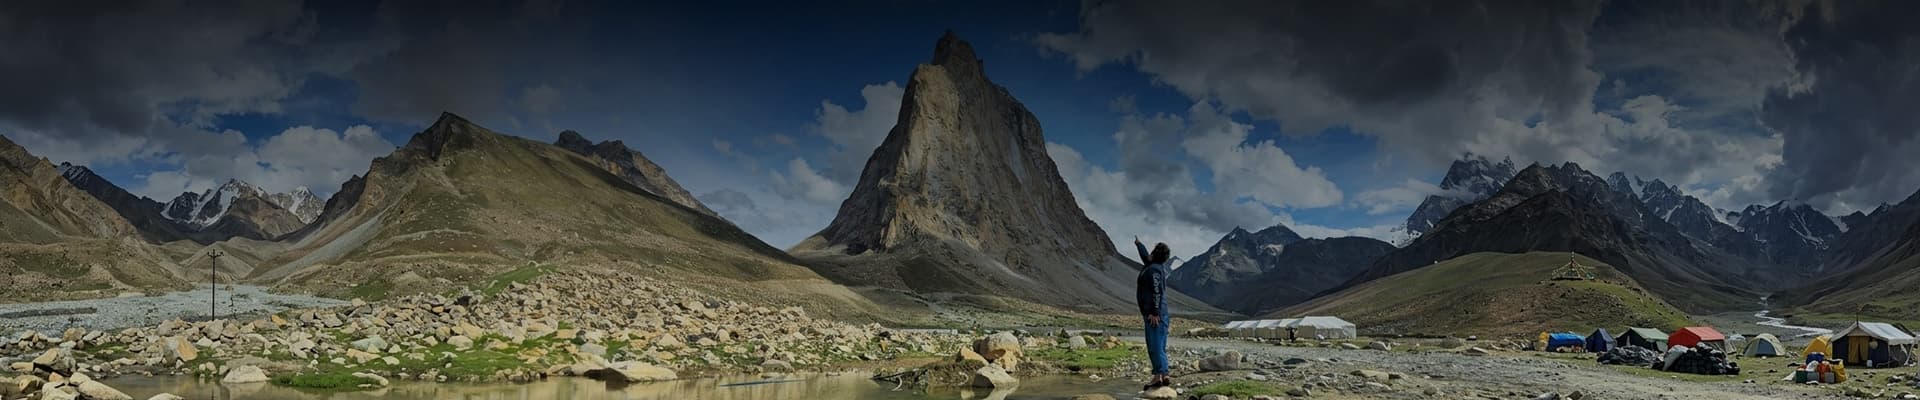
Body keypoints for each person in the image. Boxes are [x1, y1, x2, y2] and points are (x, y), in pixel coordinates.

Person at [1133, 236, 1172, 390]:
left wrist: (1155, 312)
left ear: (1155, 254)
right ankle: (1160, 375)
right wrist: (1139, 244)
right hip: (1155, 313)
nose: (1149, 253)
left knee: (1155, 346)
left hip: (1156, 314)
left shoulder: (1154, 270)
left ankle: (1162, 374)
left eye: (1152, 251)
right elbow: (1145, 256)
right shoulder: (1153, 265)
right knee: (1157, 345)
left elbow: (1157, 292)